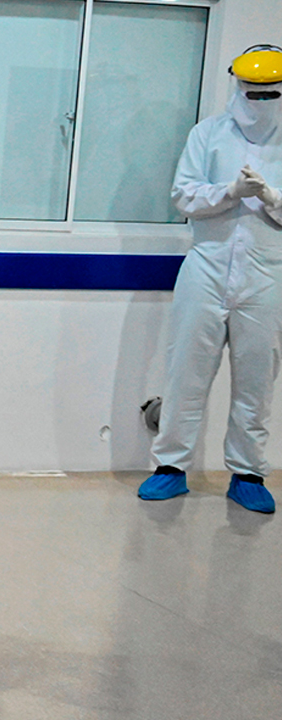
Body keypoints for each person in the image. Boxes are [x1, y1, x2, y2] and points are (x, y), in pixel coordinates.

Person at [139, 45, 282, 514]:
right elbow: (184, 195)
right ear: (234, 84)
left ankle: (247, 473)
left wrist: (271, 198)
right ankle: (170, 469)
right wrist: (231, 192)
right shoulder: (208, 135)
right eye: (251, 92)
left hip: (267, 272)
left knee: (257, 379)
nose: (259, 102)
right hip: (206, 264)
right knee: (186, 372)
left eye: (270, 94)